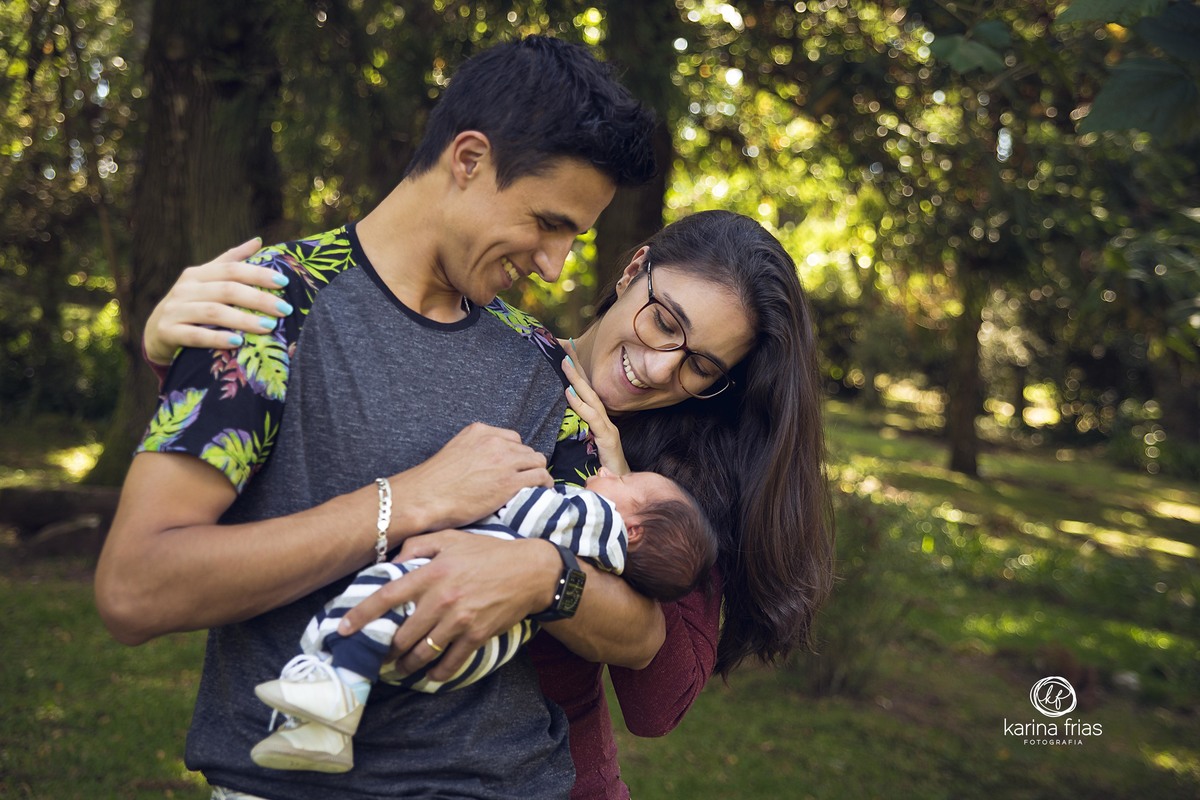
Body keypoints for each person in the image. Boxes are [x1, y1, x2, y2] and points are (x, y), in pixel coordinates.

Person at [95, 35, 659, 800]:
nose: (555, 265)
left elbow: (639, 633)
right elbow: (135, 588)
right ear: (469, 160)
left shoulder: (540, 361)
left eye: (575, 238)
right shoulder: (266, 307)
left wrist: (544, 576)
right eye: (546, 222)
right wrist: (407, 501)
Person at [141, 209, 836, 799]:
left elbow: (658, 705)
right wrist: (185, 355)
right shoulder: (494, 356)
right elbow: (320, 455)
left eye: (701, 366)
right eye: (663, 323)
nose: (660, 367)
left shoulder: (674, 484)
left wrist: (565, 558)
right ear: (633, 271)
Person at [250, 468, 717, 773]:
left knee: (363, 610)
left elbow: (523, 509)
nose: (612, 470)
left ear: (630, 529)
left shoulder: (593, 518)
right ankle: (318, 727)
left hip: (450, 593)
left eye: (627, 478)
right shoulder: (609, 565)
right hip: (479, 644)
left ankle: (329, 700)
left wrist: (492, 482)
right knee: (367, 634)